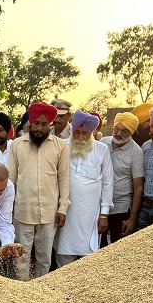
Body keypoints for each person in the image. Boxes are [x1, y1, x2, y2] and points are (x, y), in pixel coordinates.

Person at [8, 102, 70, 278]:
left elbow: (64, 179)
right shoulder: (17, 145)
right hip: (22, 212)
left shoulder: (60, 146)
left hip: (49, 213)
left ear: (50, 124)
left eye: (44, 124)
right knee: (21, 258)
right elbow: (11, 179)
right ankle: (22, 293)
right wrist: (7, 209)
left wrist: (62, 208)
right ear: (30, 122)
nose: (39, 128)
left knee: (44, 259)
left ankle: (40, 294)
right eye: (36, 123)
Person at [54, 111, 113, 268]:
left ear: (93, 132)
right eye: (77, 133)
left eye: (85, 133)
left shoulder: (102, 149)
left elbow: (108, 183)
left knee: (88, 260)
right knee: (63, 254)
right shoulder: (62, 146)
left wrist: (104, 214)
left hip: (90, 214)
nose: (80, 138)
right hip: (66, 212)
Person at [99, 112, 144, 245]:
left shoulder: (136, 152)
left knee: (117, 248)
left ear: (132, 132)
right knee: (96, 250)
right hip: (100, 206)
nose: (119, 134)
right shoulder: (103, 143)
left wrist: (132, 219)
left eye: (124, 131)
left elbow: (138, 186)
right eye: (116, 129)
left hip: (121, 208)